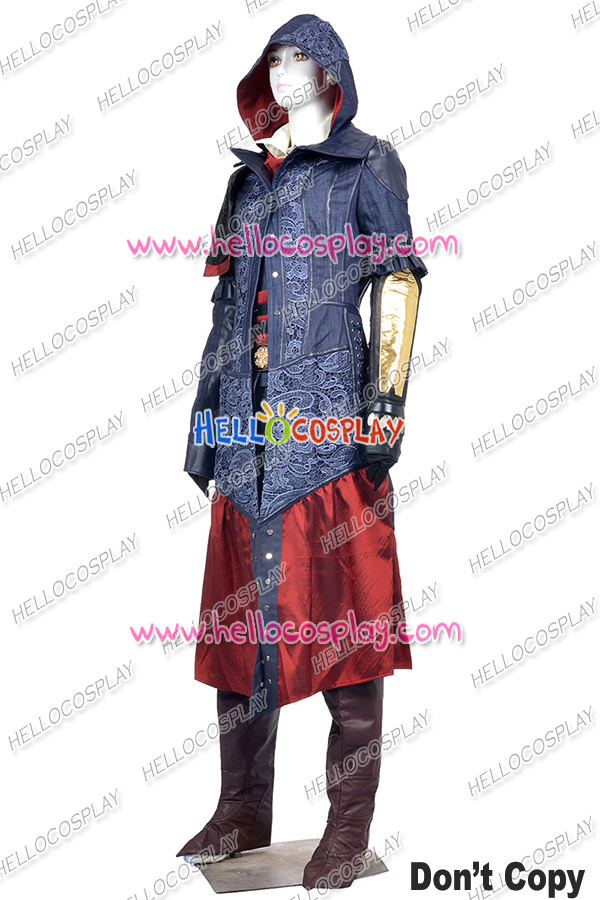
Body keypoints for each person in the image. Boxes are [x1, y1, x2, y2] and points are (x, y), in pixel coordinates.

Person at [177, 14, 428, 890]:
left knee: (346, 639)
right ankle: (242, 809)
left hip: (329, 449)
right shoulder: (246, 184)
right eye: (273, 59)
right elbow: (225, 317)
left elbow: (397, 279)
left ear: (330, 71)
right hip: (244, 446)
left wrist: (384, 407)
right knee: (239, 636)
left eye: (298, 58)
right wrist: (204, 425)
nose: (283, 72)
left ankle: (348, 832)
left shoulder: (369, 165)